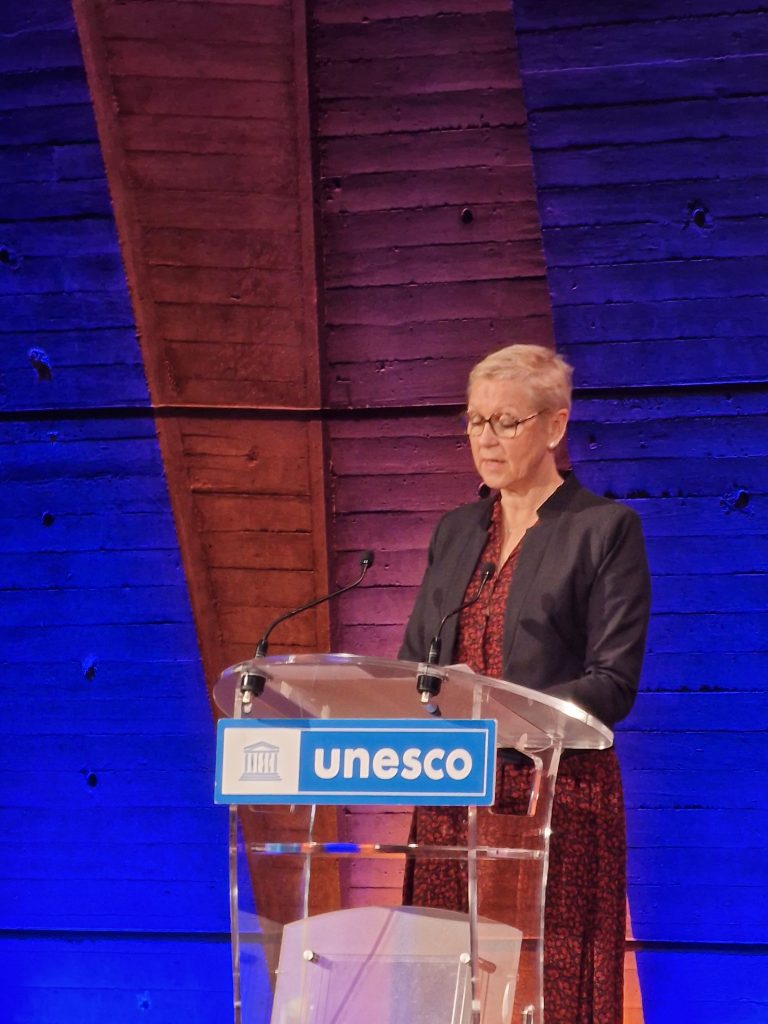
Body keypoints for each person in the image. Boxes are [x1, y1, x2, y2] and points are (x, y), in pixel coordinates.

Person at [399, 344, 651, 1024]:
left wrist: (506, 716)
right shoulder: (456, 531)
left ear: (555, 426)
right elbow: (414, 665)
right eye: (475, 421)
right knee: (449, 991)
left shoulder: (603, 531)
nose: (486, 438)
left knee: (549, 988)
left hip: (557, 795)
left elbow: (612, 682)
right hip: (453, 788)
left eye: (506, 422)